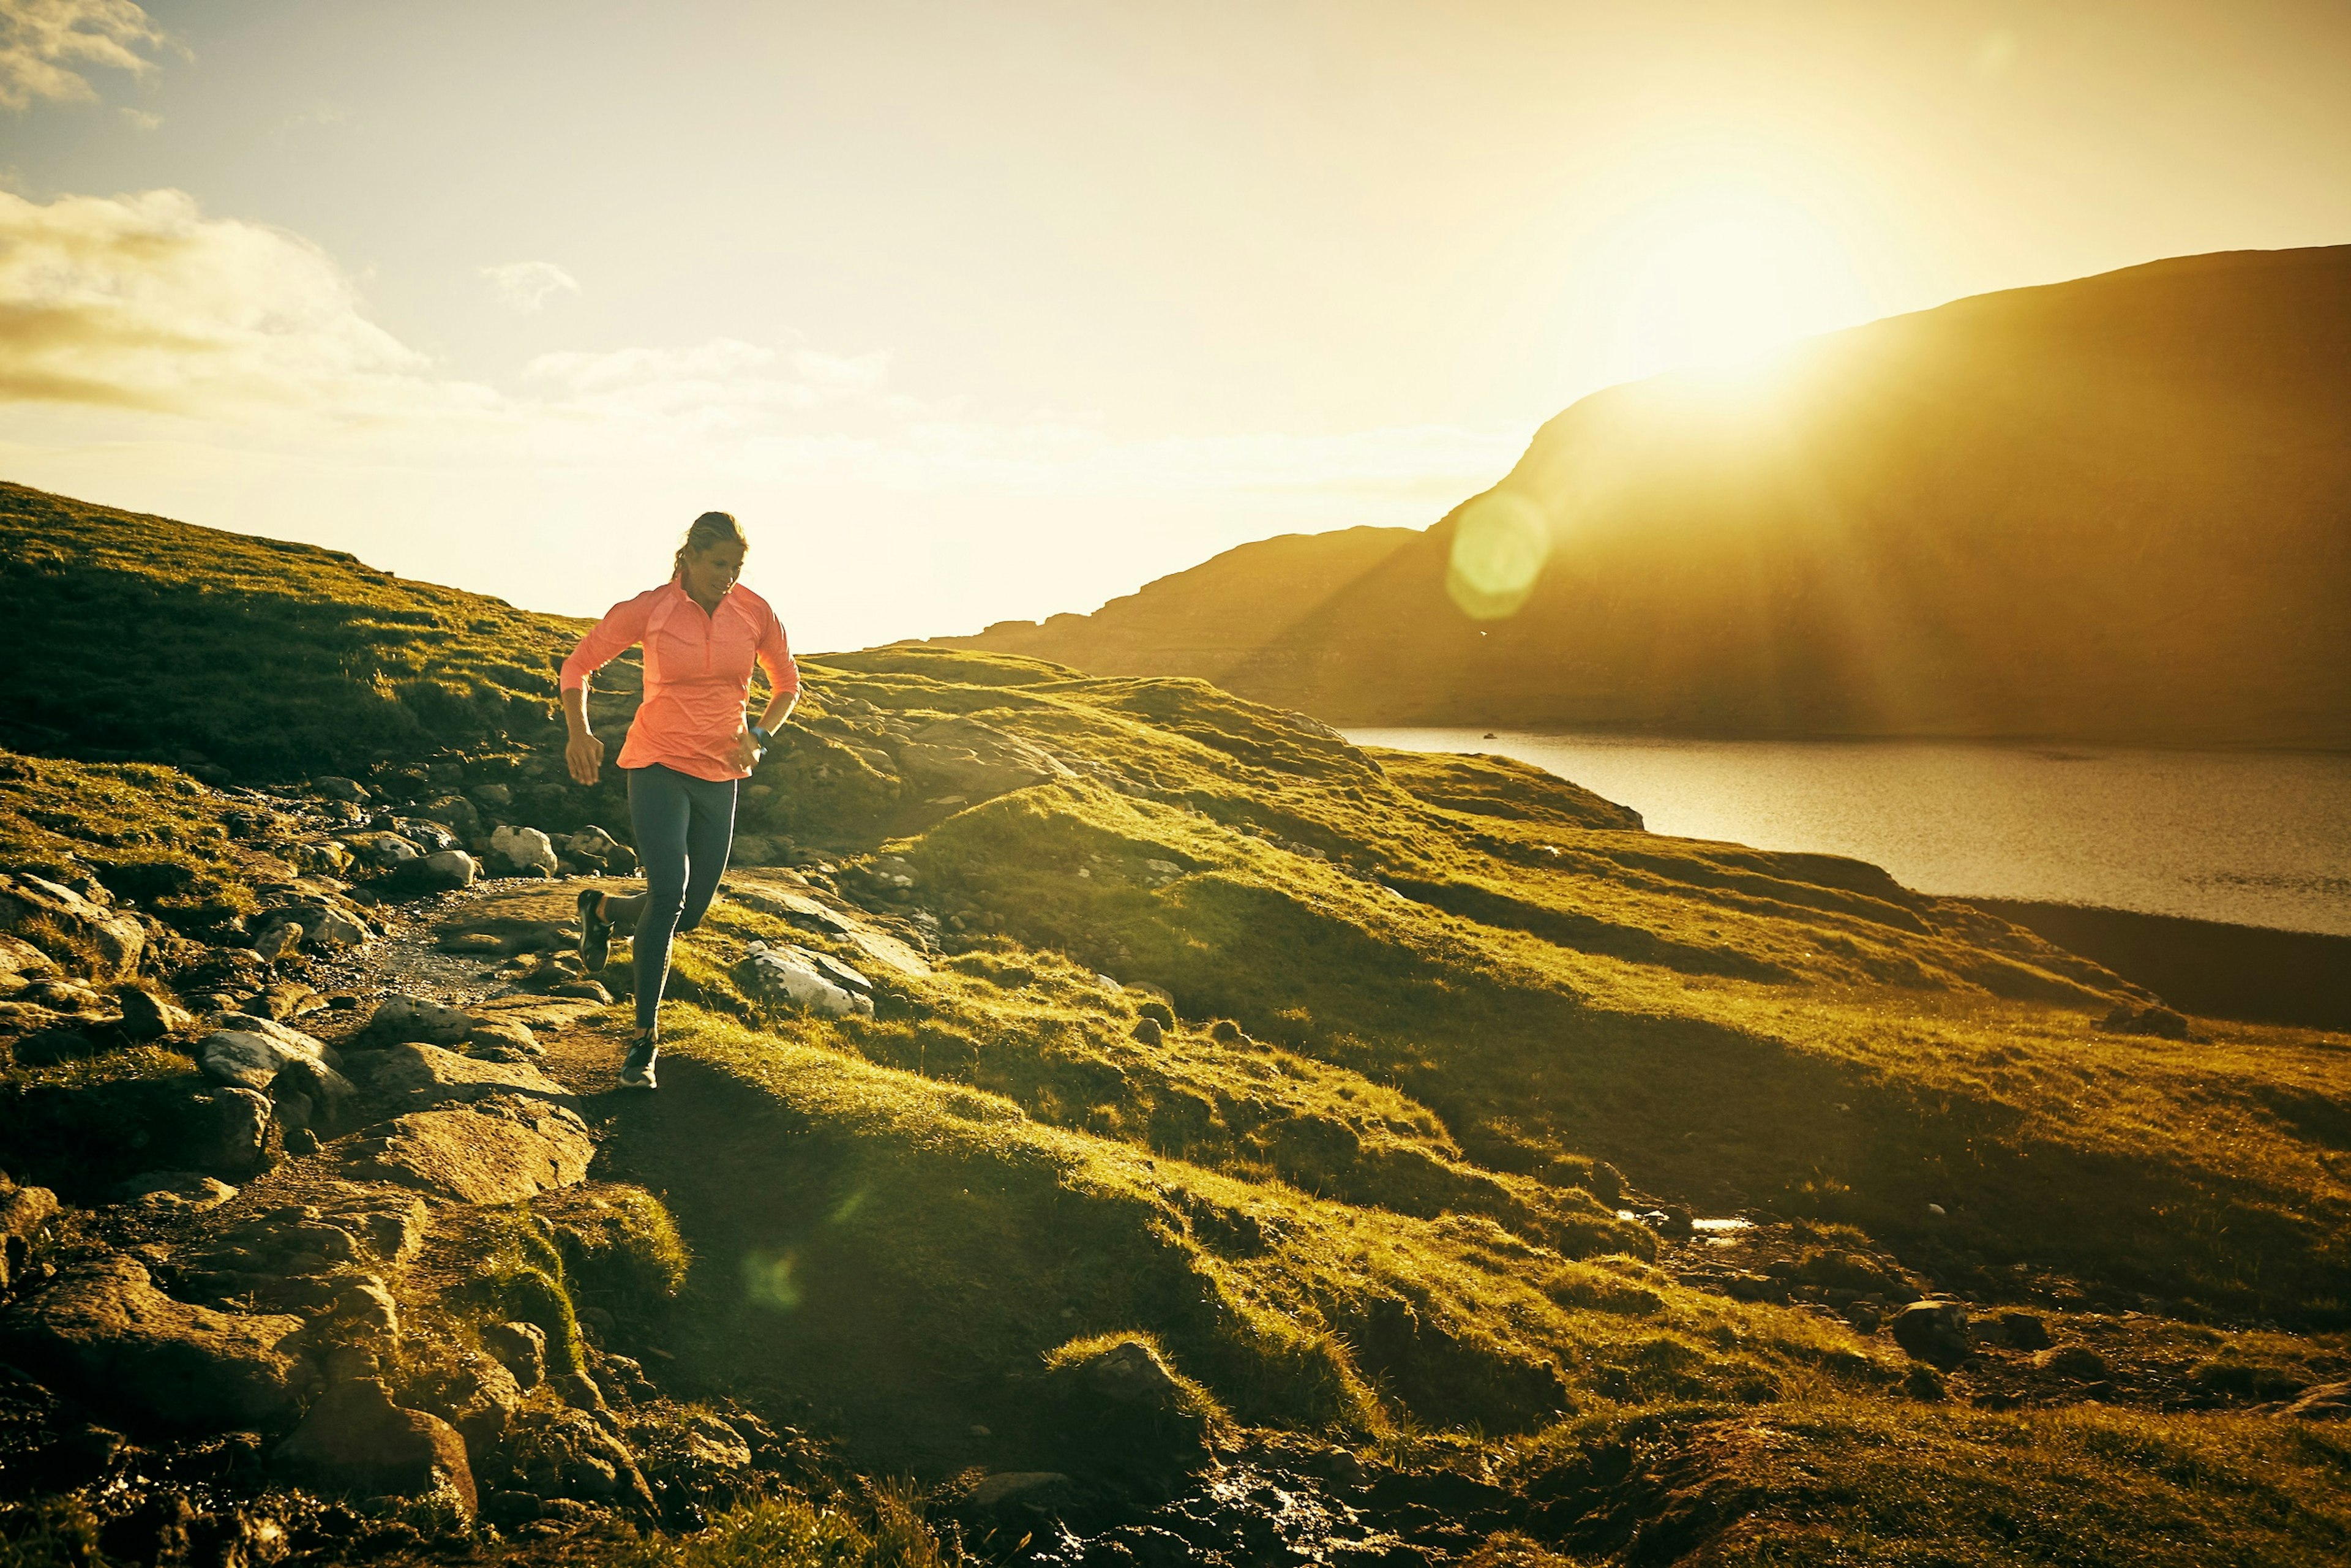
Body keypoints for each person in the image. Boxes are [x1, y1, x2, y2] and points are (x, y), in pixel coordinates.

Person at [558, 511, 798, 1089]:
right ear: (689, 556)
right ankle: (644, 1041)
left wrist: (758, 737)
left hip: (720, 774)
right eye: (719, 564)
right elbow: (578, 665)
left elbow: (787, 684)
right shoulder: (650, 609)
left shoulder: (754, 611)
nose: (728, 577)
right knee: (668, 894)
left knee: (689, 911)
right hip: (658, 763)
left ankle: (603, 911)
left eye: (737, 567)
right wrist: (578, 730)